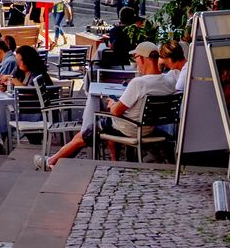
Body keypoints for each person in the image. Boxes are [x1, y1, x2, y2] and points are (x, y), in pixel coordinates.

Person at [44, 42, 175, 166]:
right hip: (149, 128)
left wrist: (113, 103)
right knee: (104, 124)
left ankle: (52, 161)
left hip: (129, 128)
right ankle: (114, 162)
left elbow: (115, 112)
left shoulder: (139, 83)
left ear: (142, 58)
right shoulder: (169, 81)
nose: (135, 62)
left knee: (85, 134)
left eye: (135, 57)